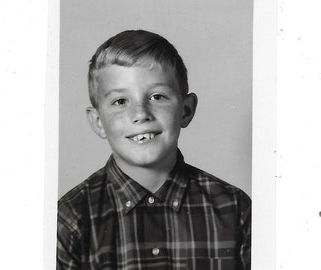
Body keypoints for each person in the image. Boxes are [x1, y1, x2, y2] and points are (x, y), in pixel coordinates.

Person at [57, 30, 251, 270]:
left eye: (157, 97)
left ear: (186, 110)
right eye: (120, 101)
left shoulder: (235, 209)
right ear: (98, 121)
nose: (140, 114)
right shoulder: (69, 220)